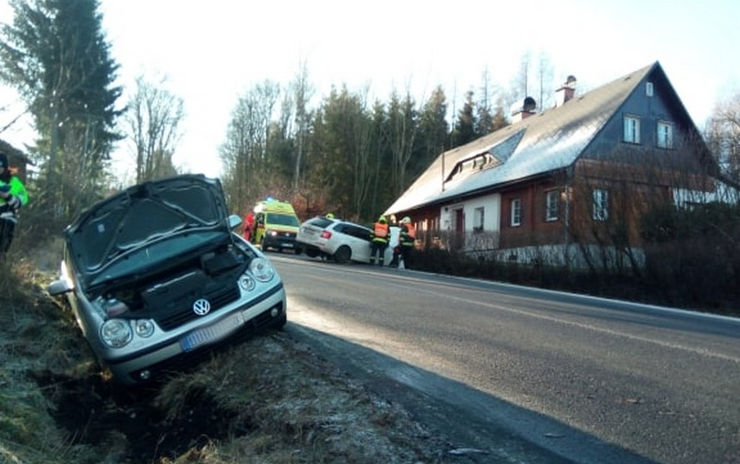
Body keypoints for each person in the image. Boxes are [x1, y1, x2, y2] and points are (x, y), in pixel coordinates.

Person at [0, 152, 29, 254]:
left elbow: (22, 201)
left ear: (4, 167)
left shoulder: (14, 182)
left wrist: (7, 196)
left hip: (6, 222)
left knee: (2, 251)